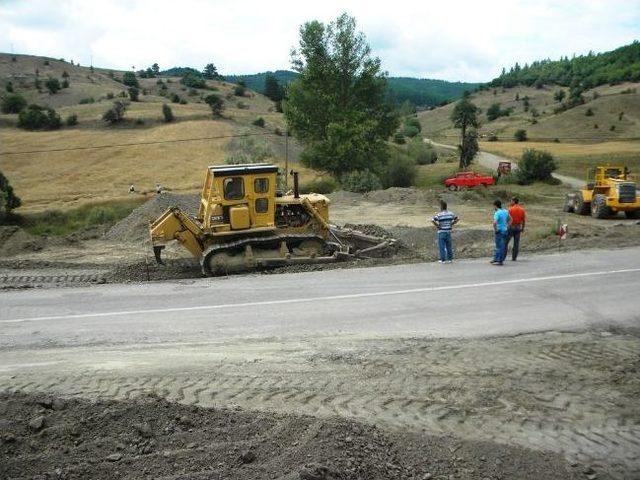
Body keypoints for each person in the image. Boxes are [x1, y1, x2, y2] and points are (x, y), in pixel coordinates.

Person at [491, 199, 510, 265]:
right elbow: (510, 219)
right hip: (505, 230)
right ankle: (496, 259)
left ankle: (499, 260)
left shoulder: (497, 213)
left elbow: (494, 223)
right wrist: (507, 226)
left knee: (499, 246)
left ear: (495, 206)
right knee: (503, 245)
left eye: (493, 206)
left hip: (499, 231)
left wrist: (496, 230)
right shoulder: (505, 211)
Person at [506, 197, 526, 261]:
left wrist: (506, 227)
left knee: (505, 242)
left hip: (511, 227)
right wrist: (523, 228)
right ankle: (514, 257)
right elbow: (523, 220)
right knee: (516, 243)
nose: (510, 202)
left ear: (514, 201)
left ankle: (503, 256)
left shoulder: (510, 209)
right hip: (518, 227)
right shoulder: (522, 210)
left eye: (511, 201)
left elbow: (507, 219)